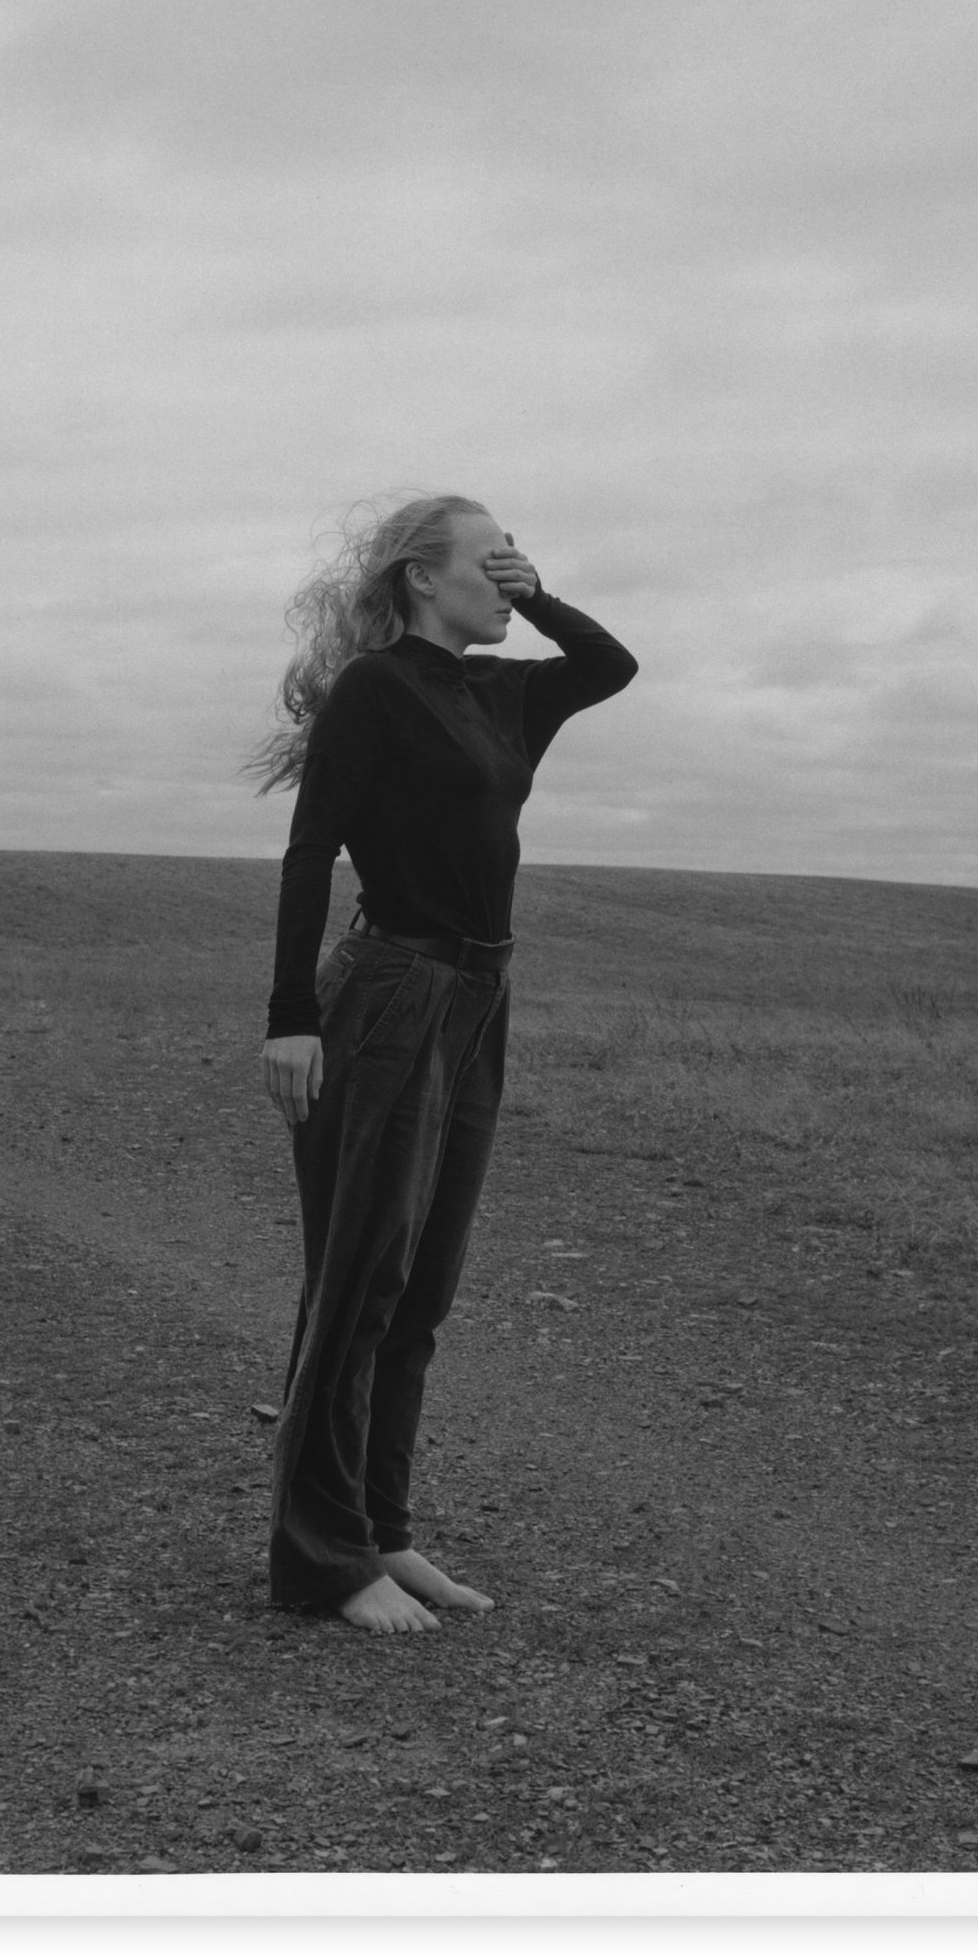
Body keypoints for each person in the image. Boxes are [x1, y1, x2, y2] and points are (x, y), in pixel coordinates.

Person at [245, 493, 638, 1634]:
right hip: (387, 994)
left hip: (477, 998)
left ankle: (382, 1528)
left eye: (517, 560)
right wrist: (290, 1014)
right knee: (357, 1279)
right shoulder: (375, 688)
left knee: (421, 1290)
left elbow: (610, 665)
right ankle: (321, 1558)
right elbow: (310, 848)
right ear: (422, 578)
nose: (509, 576)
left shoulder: (507, 693)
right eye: (490, 560)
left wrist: (537, 595)